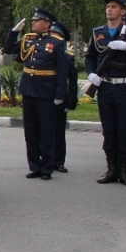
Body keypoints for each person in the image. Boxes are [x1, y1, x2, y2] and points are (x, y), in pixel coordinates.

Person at [4, 7, 68, 180]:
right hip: (29, 89)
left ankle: (47, 168)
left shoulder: (57, 42)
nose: (33, 23)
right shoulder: (27, 39)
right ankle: (34, 166)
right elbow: (8, 49)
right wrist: (13, 32)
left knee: (47, 132)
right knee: (30, 131)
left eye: (37, 20)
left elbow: (62, 71)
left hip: (46, 91)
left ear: (47, 24)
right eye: (33, 20)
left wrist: (60, 94)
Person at [85, 0, 126, 187]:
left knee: (124, 130)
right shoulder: (98, 32)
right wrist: (91, 74)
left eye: (114, 7)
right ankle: (112, 169)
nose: (110, 9)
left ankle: (125, 170)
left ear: (123, 11)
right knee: (109, 131)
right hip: (106, 87)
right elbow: (90, 57)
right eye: (108, 6)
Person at [50, 20, 79, 173]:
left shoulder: (67, 58)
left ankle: (59, 161)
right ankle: (46, 158)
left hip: (60, 98)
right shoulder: (45, 54)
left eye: (56, 35)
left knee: (58, 131)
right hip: (45, 96)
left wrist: (71, 101)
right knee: (44, 130)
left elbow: (72, 82)